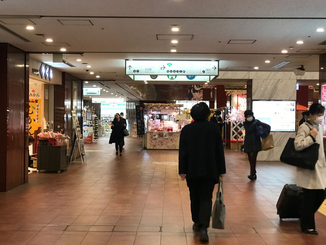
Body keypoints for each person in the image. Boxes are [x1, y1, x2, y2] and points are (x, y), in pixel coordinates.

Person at [179, 102, 226, 243]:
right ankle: (204, 226)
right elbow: (219, 150)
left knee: (194, 196)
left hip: (192, 169)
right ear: (207, 114)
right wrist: (221, 170)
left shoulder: (187, 130)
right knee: (206, 197)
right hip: (210, 169)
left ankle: (197, 222)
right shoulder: (214, 128)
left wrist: (182, 170)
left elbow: (183, 152)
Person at [294, 103, 326, 235]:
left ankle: (304, 217)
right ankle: (307, 226)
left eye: (322, 115)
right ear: (311, 115)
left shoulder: (318, 126)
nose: (320, 118)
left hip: (319, 167)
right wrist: (311, 136)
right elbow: (298, 145)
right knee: (310, 197)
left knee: (320, 195)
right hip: (309, 168)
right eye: (318, 115)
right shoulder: (305, 127)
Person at [243, 110, 270, 181]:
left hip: (255, 143)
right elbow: (248, 130)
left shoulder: (257, 122)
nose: (249, 117)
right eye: (247, 116)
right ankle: (253, 172)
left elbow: (267, 126)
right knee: (250, 159)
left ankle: (252, 174)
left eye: (250, 116)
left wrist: (264, 134)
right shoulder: (245, 123)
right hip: (248, 143)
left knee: (253, 159)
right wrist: (254, 124)